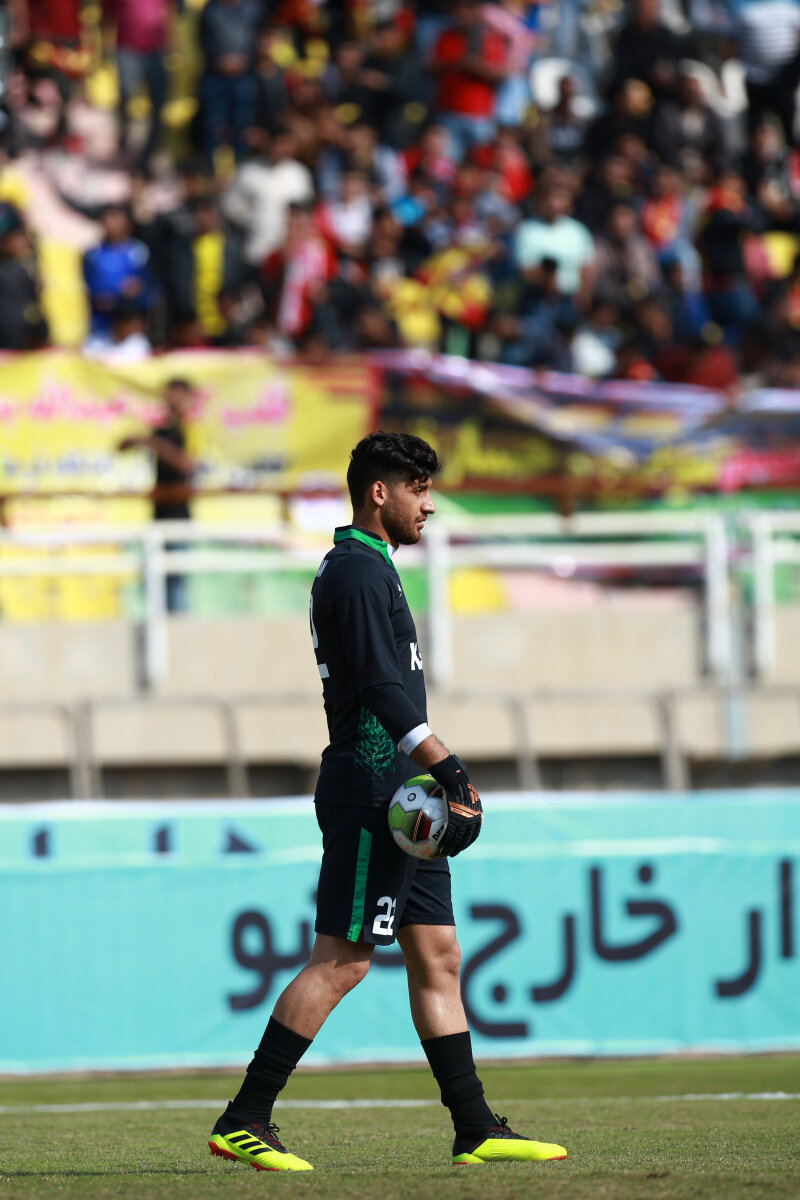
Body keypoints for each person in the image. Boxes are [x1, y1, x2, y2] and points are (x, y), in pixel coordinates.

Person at [208, 432, 568, 1172]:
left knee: (438, 956)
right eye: (419, 488)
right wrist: (453, 770)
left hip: (406, 799)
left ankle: (475, 1128)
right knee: (343, 960)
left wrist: (434, 781)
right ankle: (244, 1118)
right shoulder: (355, 571)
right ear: (381, 492)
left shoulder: (372, 567)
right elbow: (378, 688)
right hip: (375, 793)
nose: (429, 504)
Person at [117, 378, 195, 612]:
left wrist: (152, 443)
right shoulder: (162, 432)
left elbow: (186, 464)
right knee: (154, 580)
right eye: (169, 395)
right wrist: (137, 439)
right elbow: (120, 447)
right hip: (159, 515)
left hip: (179, 516)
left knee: (176, 580)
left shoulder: (193, 430)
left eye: (177, 396)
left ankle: (178, 630)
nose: (172, 401)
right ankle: (159, 629)